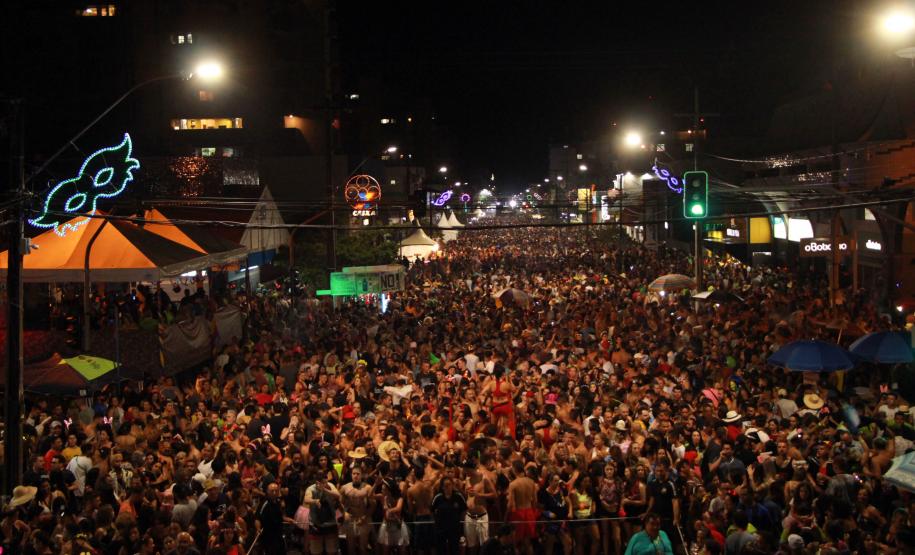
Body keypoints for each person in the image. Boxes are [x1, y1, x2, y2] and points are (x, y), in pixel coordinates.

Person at [303, 472, 341, 555]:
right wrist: (315, 501)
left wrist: (325, 489)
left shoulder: (330, 486)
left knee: (331, 550)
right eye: (324, 482)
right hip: (316, 524)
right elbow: (306, 499)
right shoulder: (311, 489)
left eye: (326, 482)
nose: (326, 484)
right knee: (316, 551)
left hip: (330, 522)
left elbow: (338, 495)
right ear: (317, 483)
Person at [340, 466, 374, 555]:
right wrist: (345, 512)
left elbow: (373, 505)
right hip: (350, 519)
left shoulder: (367, 487)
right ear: (351, 475)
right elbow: (340, 503)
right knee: (350, 547)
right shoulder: (345, 487)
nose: (355, 476)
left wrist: (365, 517)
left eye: (358, 474)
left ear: (361, 475)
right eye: (354, 473)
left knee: (363, 548)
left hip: (363, 518)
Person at [432, 476, 467, 555]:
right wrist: (437, 521)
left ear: (452, 485)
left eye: (450, 484)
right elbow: (432, 510)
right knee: (441, 550)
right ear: (442, 487)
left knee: (454, 549)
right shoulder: (438, 497)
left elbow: (464, 510)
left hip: (454, 528)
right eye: (446, 485)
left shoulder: (458, 496)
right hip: (441, 528)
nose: (448, 487)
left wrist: (459, 521)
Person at [256, 481, 286, 554]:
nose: (274, 493)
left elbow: (280, 517)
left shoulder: (278, 502)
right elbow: (257, 518)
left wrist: (289, 520)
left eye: (276, 491)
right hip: (268, 536)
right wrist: (258, 529)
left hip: (278, 534)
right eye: (272, 491)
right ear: (267, 491)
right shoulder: (264, 503)